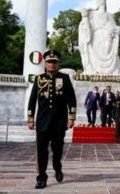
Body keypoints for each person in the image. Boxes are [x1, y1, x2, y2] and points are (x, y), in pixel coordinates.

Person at [27, 50, 77, 189]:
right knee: (41, 151)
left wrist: (71, 117)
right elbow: (32, 100)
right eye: (49, 62)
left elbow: (71, 99)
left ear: (58, 63)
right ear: (45, 63)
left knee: (57, 150)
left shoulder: (65, 78)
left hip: (59, 122)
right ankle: (41, 177)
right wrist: (30, 118)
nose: (52, 64)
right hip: (42, 122)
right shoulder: (39, 79)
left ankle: (57, 167)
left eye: (54, 62)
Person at [78, 0, 120, 74]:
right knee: (97, 52)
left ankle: (111, 70)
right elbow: (86, 22)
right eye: (99, 2)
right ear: (98, 4)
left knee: (106, 51)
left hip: (107, 36)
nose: (101, 3)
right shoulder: (93, 14)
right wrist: (85, 16)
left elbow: (113, 26)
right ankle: (95, 70)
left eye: (102, 2)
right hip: (96, 36)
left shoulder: (108, 15)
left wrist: (117, 29)